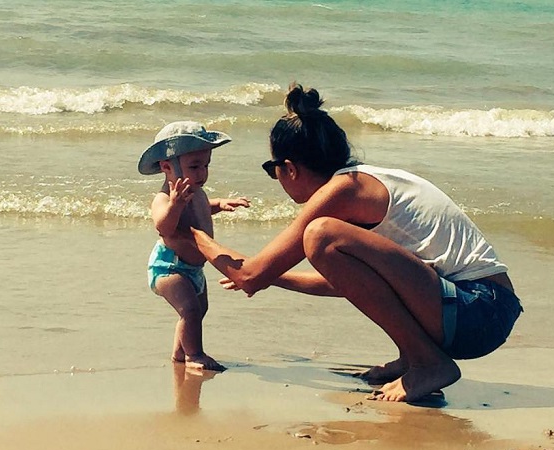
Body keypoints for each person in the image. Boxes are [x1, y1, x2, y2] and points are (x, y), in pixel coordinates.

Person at [166, 84, 522, 402]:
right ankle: (414, 356)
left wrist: (193, 233)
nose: (276, 178)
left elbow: (251, 276)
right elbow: (356, 284)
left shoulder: (345, 190)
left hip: (478, 310)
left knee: (319, 235)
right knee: (322, 239)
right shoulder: (362, 185)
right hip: (477, 313)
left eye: (271, 169)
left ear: (289, 168)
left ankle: (428, 362)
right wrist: (273, 275)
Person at [138, 121, 250, 372]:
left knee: (199, 309)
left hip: (193, 269)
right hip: (169, 266)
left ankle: (180, 353)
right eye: (194, 166)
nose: (202, 173)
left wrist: (219, 204)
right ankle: (194, 354)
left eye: (206, 165)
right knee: (188, 309)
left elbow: (200, 208)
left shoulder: (196, 191)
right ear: (167, 167)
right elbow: (163, 226)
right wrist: (175, 205)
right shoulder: (164, 198)